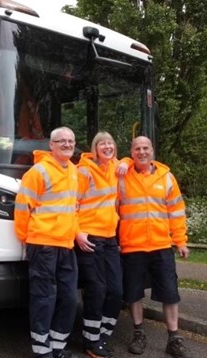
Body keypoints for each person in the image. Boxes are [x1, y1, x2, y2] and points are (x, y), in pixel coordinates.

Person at [117, 136, 191, 358]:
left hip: (161, 245)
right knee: (134, 293)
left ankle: (174, 338)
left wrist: (180, 241)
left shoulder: (166, 178)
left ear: (152, 150)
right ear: (131, 152)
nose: (141, 152)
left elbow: (176, 212)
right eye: (137, 149)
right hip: (132, 246)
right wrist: (124, 162)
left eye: (145, 148)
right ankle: (139, 333)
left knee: (170, 293)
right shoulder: (122, 175)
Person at [14, 126, 80, 358]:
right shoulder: (38, 172)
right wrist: (26, 241)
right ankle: (42, 351)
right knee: (44, 298)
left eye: (71, 141)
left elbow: (73, 209)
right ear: (51, 145)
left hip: (66, 245)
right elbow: (22, 208)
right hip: (43, 244)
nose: (67, 144)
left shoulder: (73, 170)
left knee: (69, 298)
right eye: (61, 141)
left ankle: (57, 347)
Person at [75, 132, 122, 358]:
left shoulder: (117, 167)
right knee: (96, 289)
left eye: (110, 143)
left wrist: (128, 162)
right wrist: (77, 233)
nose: (107, 146)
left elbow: (138, 160)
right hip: (89, 239)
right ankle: (91, 341)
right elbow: (70, 204)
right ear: (94, 148)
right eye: (102, 143)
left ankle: (101, 336)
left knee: (116, 291)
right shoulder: (83, 171)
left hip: (110, 238)